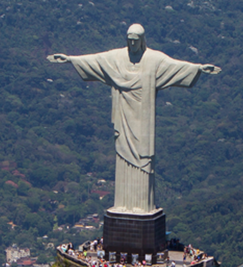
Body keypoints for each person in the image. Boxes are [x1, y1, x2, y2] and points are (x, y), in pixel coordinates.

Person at [48, 24, 220, 213]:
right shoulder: (117, 57)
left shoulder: (153, 59)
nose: (132, 44)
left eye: (135, 41)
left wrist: (199, 69)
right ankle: (123, 204)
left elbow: (175, 66)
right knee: (123, 155)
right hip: (123, 116)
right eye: (129, 40)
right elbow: (96, 60)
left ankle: (141, 205)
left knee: (143, 158)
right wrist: (70, 59)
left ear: (142, 41)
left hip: (143, 119)